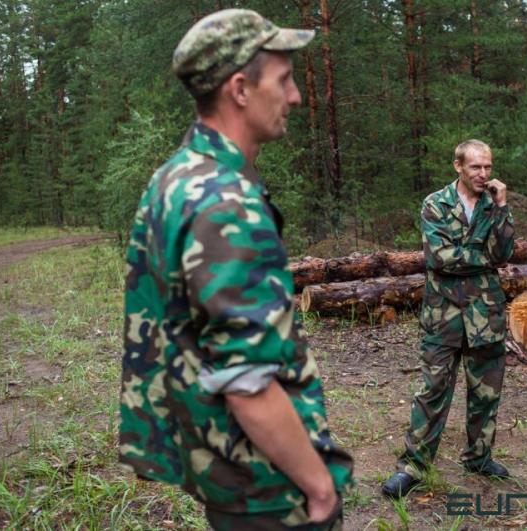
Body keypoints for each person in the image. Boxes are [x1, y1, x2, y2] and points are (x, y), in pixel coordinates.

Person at [118, 9, 352, 530]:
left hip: (220, 464)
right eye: (284, 80)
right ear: (241, 89)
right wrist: (318, 486)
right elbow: (247, 381)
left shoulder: (175, 177)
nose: (295, 96)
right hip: (266, 485)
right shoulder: (227, 204)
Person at [382, 139, 515, 498]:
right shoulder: (435, 204)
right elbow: (440, 258)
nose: (483, 174)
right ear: (458, 166)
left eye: (487, 166)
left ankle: (479, 457)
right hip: (444, 315)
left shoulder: (493, 203)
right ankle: (413, 467)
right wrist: (483, 257)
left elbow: (504, 253)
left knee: (486, 392)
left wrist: (502, 208)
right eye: (475, 167)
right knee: (433, 391)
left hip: (485, 314)